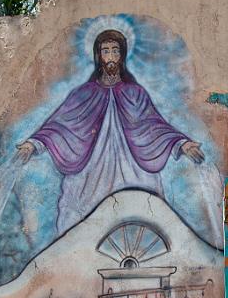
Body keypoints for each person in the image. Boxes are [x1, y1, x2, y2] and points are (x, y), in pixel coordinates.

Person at [16, 29, 204, 234]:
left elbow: (154, 125)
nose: (111, 56)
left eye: (116, 51)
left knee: (143, 212)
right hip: (91, 167)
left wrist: (181, 143)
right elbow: (60, 125)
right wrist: (33, 143)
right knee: (80, 215)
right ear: (98, 56)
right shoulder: (83, 93)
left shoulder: (135, 93)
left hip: (133, 165)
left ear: (122, 55)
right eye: (106, 51)